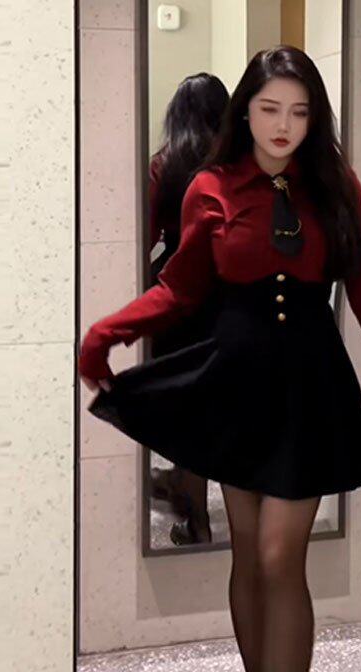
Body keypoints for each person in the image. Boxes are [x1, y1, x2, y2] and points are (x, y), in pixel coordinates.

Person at [79, 45, 361, 672]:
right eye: (271, 108)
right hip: (235, 384)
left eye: (300, 112)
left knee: (280, 558)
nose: (284, 125)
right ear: (245, 110)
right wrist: (109, 331)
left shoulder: (334, 185)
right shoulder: (209, 187)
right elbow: (180, 288)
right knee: (248, 556)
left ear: (315, 118)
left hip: (310, 387)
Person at [146, 73, 229, 546]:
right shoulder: (239, 166)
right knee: (213, 406)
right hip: (230, 294)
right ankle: (184, 487)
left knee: (183, 406)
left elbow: (144, 236)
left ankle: (195, 519)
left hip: (177, 296)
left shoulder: (164, 166)